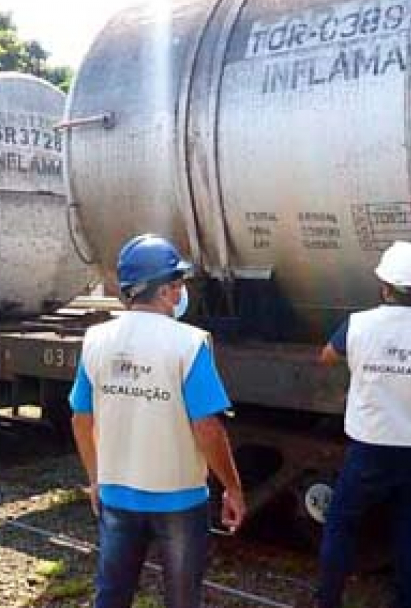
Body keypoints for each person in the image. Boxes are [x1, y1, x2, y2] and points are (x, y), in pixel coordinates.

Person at [69, 233, 246, 608]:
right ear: (165, 291)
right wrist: (232, 487)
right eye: (178, 284)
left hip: (117, 495)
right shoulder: (189, 343)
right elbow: (208, 427)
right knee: (182, 600)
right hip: (179, 500)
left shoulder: (96, 339)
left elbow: (80, 419)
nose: (182, 293)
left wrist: (96, 479)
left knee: (112, 596)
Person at [315, 240, 411, 608]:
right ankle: (406, 601)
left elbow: (327, 358)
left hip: (369, 445)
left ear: (384, 286)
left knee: (341, 523)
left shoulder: (358, 325)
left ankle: (329, 600)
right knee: (410, 528)